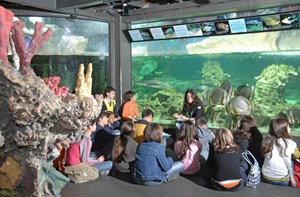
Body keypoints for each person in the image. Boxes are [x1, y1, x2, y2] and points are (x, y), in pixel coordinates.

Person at [261, 117, 298, 186]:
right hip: (283, 181)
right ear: (283, 130)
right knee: (292, 161)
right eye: (288, 127)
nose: (290, 129)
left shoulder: (266, 142)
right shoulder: (291, 143)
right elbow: (298, 156)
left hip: (266, 177)